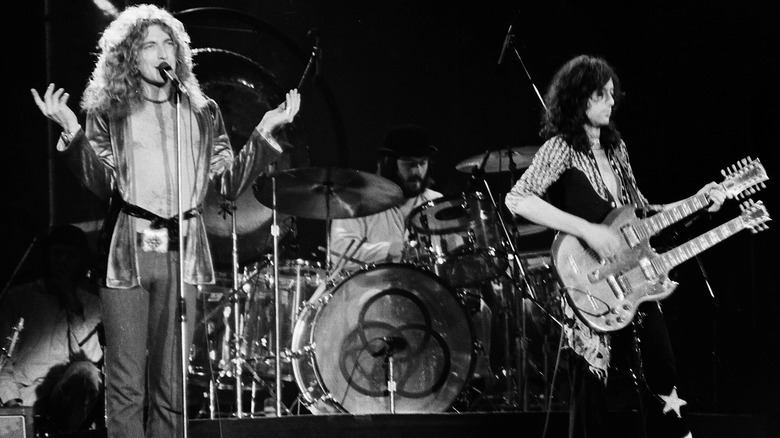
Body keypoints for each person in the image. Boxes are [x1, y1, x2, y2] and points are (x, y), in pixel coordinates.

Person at [29, 4, 301, 438]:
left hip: (184, 251)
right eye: (150, 45)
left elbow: (227, 185)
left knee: (171, 385)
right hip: (128, 255)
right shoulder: (110, 111)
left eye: (168, 43)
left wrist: (263, 136)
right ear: (130, 56)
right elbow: (101, 183)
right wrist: (72, 133)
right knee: (126, 384)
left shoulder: (202, 112)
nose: (162, 52)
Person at [504, 54, 727, 438]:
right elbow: (518, 199)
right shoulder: (560, 149)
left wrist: (697, 199)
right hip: (590, 286)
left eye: (612, 94)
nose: (611, 101)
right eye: (601, 94)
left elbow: (640, 211)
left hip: (636, 280)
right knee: (593, 397)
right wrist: (588, 230)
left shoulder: (617, 149)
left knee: (664, 375)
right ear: (579, 99)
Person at [0, 224, 104, 435]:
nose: (62, 262)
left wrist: (73, 304)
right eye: (57, 254)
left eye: (70, 256)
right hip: (24, 396)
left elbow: (91, 362)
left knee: (87, 372)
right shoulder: (18, 298)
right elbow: (2, 360)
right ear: (47, 256)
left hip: (68, 402)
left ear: (81, 261)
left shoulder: (92, 303)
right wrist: (13, 403)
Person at [329, 124, 442, 270]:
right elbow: (339, 253)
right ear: (389, 164)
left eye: (422, 163)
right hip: (373, 290)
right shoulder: (356, 200)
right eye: (409, 164)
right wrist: (393, 250)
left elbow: (456, 250)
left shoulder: (437, 202)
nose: (417, 171)